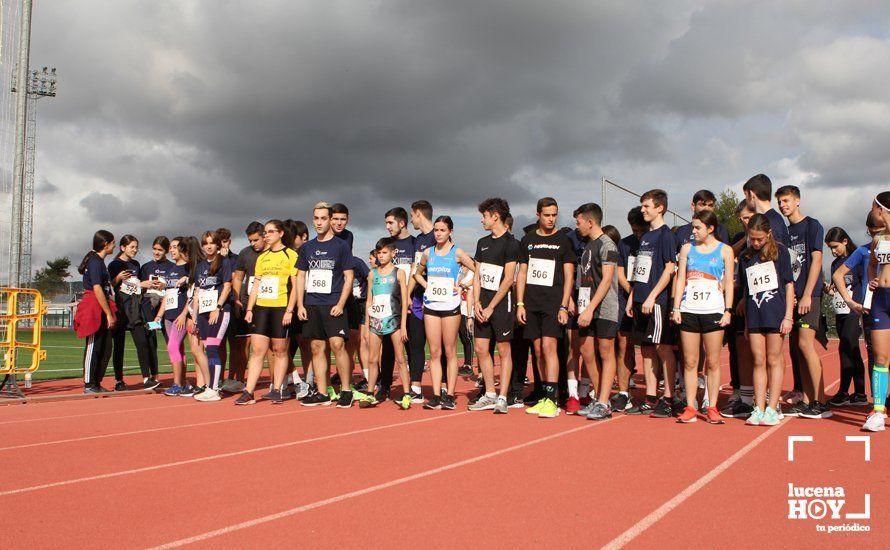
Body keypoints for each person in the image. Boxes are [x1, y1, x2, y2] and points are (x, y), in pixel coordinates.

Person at [671, 210, 734, 424]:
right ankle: (690, 406)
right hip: (689, 310)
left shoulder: (725, 251)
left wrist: (728, 310)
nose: (693, 231)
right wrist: (676, 308)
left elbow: (728, 284)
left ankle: (712, 406)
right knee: (689, 361)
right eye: (692, 227)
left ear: (710, 228)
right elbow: (680, 280)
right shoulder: (687, 249)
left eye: (697, 227)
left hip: (714, 311)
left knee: (713, 362)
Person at [516, 197, 577, 418]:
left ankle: (552, 398)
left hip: (553, 303)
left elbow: (569, 275)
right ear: (538, 215)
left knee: (550, 348)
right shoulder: (528, 241)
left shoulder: (563, 240)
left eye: (554, 215)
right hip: (531, 303)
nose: (551, 219)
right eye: (547, 215)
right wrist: (520, 303)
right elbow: (522, 273)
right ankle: (543, 395)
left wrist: (563, 304)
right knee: (539, 350)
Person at [297, 202, 358, 407]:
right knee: (316, 347)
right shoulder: (307, 248)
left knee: (337, 344)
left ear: (330, 220)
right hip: (312, 303)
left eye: (323, 218)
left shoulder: (341, 246)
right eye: (316, 218)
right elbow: (300, 276)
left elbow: (349, 277)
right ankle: (322, 392)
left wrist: (341, 303)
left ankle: (346, 390)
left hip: (334, 303)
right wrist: (300, 304)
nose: (319, 222)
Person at [737, 214, 795, 426]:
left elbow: (789, 285)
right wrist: (745, 323)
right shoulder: (745, 257)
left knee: (773, 359)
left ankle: (772, 408)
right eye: (752, 238)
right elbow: (746, 289)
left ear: (768, 234)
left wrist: (788, 316)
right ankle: (758, 407)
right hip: (754, 314)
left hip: (775, 312)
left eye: (759, 239)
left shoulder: (780, 253)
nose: (756, 242)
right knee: (758, 360)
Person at [777, 185, 829, 419]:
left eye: (786, 200)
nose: (783, 205)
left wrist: (807, 293)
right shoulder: (786, 232)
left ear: (798, 200)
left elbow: (816, 261)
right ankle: (807, 399)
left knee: (807, 346)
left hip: (810, 294)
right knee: (797, 348)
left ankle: (820, 401)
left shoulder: (812, 225)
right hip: (793, 297)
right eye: (780, 202)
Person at [625, 190, 678, 418]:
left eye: (646, 206)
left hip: (656, 302)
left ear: (660, 208)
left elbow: (669, 268)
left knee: (662, 348)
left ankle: (668, 397)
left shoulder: (665, 235)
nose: (642, 210)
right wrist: (632, 296)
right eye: (642, 206)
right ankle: (650, 397)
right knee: (646, 350)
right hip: (640, 300)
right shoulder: (645, 236)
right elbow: (640, 269)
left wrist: (652, 296)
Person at [415, 216, 476, 409]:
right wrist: (426, 285)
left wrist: (464, 285)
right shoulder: (428, 252)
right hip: (432, 306)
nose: (438, 234)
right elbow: (417, 273)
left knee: (449, 351)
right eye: (436, 230)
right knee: (434, 352)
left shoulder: (456, 252)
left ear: (450, 231)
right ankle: (435, 394)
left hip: (450, 306)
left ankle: (449, 394)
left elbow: (477, 269)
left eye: (442, 230)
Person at [235, 220, 299, 405]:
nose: (267, 235)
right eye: (265, 232)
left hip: (281, 307)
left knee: (280, 350)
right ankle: (248, 391)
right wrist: (249, 308)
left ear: (280, 233)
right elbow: (256, 284)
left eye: (271, 232)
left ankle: (277, 389)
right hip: (262, 308)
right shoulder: (262, 257)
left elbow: (296, 286)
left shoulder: (290, 255)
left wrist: (289, 310)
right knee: (257, 350)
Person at [470, 197, 519, 414]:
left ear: (495, 216)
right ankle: (489, 393)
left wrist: (491, 307)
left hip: (501, 306)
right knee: (481, 348)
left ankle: (502, 396)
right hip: (483, 305)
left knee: (503, 350)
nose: (482, 220)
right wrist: (478, 303)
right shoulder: (482, 243)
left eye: (484, 216)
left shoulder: (511, 244)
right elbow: (477, 275)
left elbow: (508, 279)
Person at [573, 203, 621, 421]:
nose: (577, 226)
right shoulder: (588, 245)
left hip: (604, 308)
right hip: (585, 307)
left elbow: (608, 279)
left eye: (579, 221)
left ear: (590, 222)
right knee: (586, 351)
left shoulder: (607, 244)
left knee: (605, 351)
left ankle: (603, 401)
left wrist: (591, 308)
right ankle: (599, 397)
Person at [833, 211, 886, 393]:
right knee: (875, 355)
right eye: (873, 232)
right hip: (871, 308)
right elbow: (838, 275)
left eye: (881, 230)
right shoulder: (863, 251)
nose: (877, 236)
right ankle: (878, 400)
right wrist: (851, 302)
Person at [363, 238, 411, 410]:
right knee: (372, 359)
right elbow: (369, 301)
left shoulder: (399, 273)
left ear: (393, 253)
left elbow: (405, 302)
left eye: (384, 252)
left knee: (400, 358)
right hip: (376, 321)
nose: (381, 256)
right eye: (379, 253)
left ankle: (407, 394)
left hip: (394, 321)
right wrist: (367, 326)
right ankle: (370, 394)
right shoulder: (372, 274)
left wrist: (404, 325)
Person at [108, 235, 161, 391]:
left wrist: (146, 285)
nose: (135, 250)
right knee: (119, 345)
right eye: (132, 247)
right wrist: (118, 277)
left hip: (135, 309)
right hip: (120, 309)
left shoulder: (136, 265)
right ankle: (119, 380)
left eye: (136, 247)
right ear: (123, 247)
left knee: (142, 342)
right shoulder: (114, 265)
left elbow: (137, 286)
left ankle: (146, 379)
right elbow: (110, 286)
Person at [376, 207, 416, 402]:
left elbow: (419, 270)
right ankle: (384, 386)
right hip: (390, 307)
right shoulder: (387, 245)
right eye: (386, 223)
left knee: (412, 346)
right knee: (388, 348)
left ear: (402, 223)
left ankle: (414, 387)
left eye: (390, 223)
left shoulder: (414, 243)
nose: (387, 226)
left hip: (412, 304)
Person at [721, 200, 757, 419]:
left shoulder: (768, 235)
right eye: (742, 218)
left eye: (748, 217)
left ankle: (766, 397)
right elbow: (728, 255)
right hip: (739, 298)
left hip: (761, 300)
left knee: (762, 350)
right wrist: (746, 237)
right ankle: (743, 394)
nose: (745, 221)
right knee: (738, 347)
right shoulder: (738, 239)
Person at [825, 227, 868, 407]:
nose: (833, 251)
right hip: (840, 311)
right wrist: (830, 289)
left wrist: (858, 308)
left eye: (835, 247)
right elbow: (836, 286)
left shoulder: (857, 258)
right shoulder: (835, 264)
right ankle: (859, 393)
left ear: (845, 241)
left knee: (847, 347)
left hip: (854, 310)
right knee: (851, 350)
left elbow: (861, 283)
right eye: (830, 249)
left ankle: (844, 391)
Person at [222, 221, 265, 393]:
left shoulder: (272, 253)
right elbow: (238, 278)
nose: (253, 244)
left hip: (268, 303)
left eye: (255, 240)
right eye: (250, 241)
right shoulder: (245, 253)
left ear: (264, 236)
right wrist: (237, 300)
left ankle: (278, 381)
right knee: (240, 344)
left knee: (270, 346)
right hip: (246, 304)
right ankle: (238, 379)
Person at [190, 231, 233, 402]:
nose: (208, 246)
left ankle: (214, 389)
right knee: (209, 349)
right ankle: (210, 386)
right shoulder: (200, 266)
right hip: (202, 313)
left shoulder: (224, 262)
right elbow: (197, 292)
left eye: (211, 243)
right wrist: (194, 316)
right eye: (205, 243)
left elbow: (228, 287)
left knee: (213, 349)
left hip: (219, 312)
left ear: (218, 245)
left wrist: (218, 307)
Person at [74, 230, 117, 393]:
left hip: (102, 303)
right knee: (94, 345)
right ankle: (89, 383)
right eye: (113, 243)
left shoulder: (100, 262)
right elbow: (97, 288)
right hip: (94, 305)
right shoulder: (95, 262)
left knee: (106, 347)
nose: (114, 246)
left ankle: (96, 381)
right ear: (105, 244)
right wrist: (107, 313)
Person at [612, 207, 646, 412]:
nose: (638, 235)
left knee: (652, 349)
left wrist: (643, 293)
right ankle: (624, 392)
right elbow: (620, 273)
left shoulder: (656, 241)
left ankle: (654, 394)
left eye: (641, 230)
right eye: (634, 231)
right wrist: (632, 292)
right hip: (627, 301)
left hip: (650, 299)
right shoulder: (625, 244)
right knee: (623, 345)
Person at [862, 193, 890, 432]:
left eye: (873, 207)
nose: (871, 210)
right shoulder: (878, 239)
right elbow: (872, 264)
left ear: (881, 210)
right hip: (881, 299)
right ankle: (878, 412)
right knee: (880, 358)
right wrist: (873, 280)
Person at [155, 237, 193, 396]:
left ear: (183, 249)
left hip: (180, 315)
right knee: (178, 349)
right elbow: (167, 295)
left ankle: (177, 384)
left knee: (172, 347)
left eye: (175, 247)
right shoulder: (171, 269)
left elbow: (192, 295)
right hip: (168, 315)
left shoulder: (189, 269)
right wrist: (159, 315)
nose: (171, 250)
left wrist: (185, 314)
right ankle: (183, 384)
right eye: (170, 247)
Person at [138, 236, 173, 389]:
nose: (157, 252)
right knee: (151, 340)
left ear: (166, 251)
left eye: (160, 250)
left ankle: (178, 377)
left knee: (171, 342)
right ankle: (154, 377)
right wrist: (144, 284)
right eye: (155, 249)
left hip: (166, 308)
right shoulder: (145, 267)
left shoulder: (172, 267)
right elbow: (137, 287)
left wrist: (164, 286)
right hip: (149, 308)